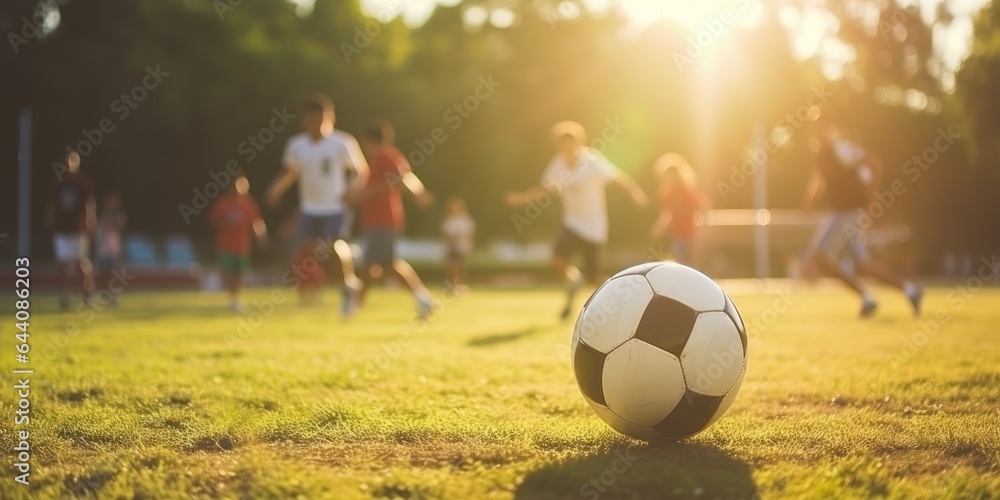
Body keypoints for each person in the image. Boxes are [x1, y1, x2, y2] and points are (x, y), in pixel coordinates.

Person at [505, 121, 648, 320]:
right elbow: (545, 188)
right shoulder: (558, 164)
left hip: (594, 227)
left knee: (594, 277)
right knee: (557, 259)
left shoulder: (591, 161)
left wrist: (634, 192)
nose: (567, 149)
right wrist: (522, 199)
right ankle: (573, 280)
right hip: (572, 223)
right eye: (562, 145)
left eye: (571, 143)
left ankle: (619, 302)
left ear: (579, 143)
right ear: (558, 146)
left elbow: (617, 177)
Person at [803, 112, 923, 317]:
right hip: (842, 213)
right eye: (815, 126)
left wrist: (872, 198)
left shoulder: (841, 149)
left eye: (823, 125)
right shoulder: (820, 153)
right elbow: (819, 180)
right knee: (862, 266)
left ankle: (867, 297)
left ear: (831, 128)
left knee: (819, 258)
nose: (818, 130)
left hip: (849, 213)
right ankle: (910, 290)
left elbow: (874, 163)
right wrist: (810, 202)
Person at [266, 93, 369, 317]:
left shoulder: (342, 142)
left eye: (322, 119)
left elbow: (362, 172)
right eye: (313, 119)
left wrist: (352, 191)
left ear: (330, 118)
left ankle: (348, 282)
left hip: (335, 207)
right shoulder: (297, 145)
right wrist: (276, 189)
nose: (318, 124)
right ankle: (346, 278)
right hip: (309, 208)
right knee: (307, 248)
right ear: (305, 120)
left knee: (331, 245)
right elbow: (290, 173)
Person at [348, 121, 436, 319]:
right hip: (378, 220)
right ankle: (423, 299)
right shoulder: (383, 158)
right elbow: (405, 176)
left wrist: (417, 194)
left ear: (369, 141)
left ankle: (354, 305)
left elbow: (400, 178)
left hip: (383, 220)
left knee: (373, 265)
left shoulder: (385, 156)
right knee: (385, 265)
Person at [47, 150, 97, 311]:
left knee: (81, 262)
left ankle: (88, 292)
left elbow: (89, 203)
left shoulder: (82, 182)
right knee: (63, 264)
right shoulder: (58, 183)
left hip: (78, 229)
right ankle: (64, 294)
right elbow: (52, 204)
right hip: (62, 229)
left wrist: (90, 221)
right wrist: (49, 219)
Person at [210, 176, 267, 312]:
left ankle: (236, 299)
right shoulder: (223, 204)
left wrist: (261, 236)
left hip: (242, 246)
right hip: (226, 245)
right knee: (229, 272)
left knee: (239, 274)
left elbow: (256, 222)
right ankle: (231, 298)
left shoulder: (248, 204)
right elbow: (214, 221)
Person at [649, 153, 709, 266]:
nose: (670, 177)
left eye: (673, 174)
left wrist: (701, 226)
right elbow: (667, 214)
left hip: (691, 234)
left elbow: (703, 206)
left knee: (689, 263)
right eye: (668, 175)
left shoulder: (687, 191)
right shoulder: (666, 193)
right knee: (680, 260)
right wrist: (659, 227)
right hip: (677, 235)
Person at [95, 192, 128, 305]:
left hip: (114, 249)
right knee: (103, 274)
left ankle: (114, 295)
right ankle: (104, 295)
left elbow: (118, 226)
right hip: (103, 249)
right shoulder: (103, 216)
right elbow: (99, 228)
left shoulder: (119, 215)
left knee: (114, 274)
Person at [441, 196, 475, 290]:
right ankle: (451, 286)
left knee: (460, 268)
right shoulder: (448, 220)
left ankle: (461, 286)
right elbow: (446, 235)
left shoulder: (466, 220)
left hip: (462, 248)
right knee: (450, 268)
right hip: (451, 248)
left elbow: (469, 234)